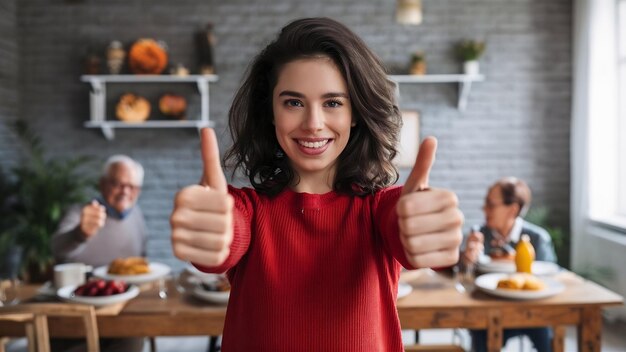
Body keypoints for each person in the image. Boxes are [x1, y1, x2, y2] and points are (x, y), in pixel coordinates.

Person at [170, 17, 463, 351]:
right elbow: (225, 240)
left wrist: (424, 229)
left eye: (333, 103)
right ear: (271, 111)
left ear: (355, 113)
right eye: (293, 102)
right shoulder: (244, 211)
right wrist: (212, 234)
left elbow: (404, 228)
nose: (313, 123)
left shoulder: (381, 210)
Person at [51, 154, 146, 352]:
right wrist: (80, 233)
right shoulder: (81, 212)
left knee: (134, 335)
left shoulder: (137, 216)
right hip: (77, 309)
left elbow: (142, 261)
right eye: (117, 184)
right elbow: (56, 248)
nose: (125, 192)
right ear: (102, 185)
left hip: (121, 310)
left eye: (132, 186)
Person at [460, 177, 557, 352]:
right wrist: (466, 260)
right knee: (479, 331)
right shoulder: (478, 234)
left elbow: (548, 279)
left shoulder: (537, 238)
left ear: (512, 209)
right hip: (488, 311)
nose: (484, 209)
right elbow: (461, 277)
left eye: (491, 204)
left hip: (531, 312)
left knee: (546, 336)